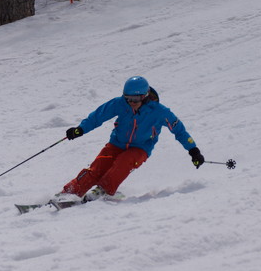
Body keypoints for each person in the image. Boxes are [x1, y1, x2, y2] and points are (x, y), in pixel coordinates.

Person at [52, 76, 204, 205]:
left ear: (144, 96)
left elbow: (179, 130)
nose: (131, 102)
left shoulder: (160, 112)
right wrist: (81, 129)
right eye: (128, 98)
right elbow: (98, 116)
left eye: (135, 99)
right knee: (98, 167)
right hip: (116, 143)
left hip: (140, 148)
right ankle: (69, 193)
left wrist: (193, 150)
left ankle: (103, 191)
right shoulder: (120, 104)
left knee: (124, 162)